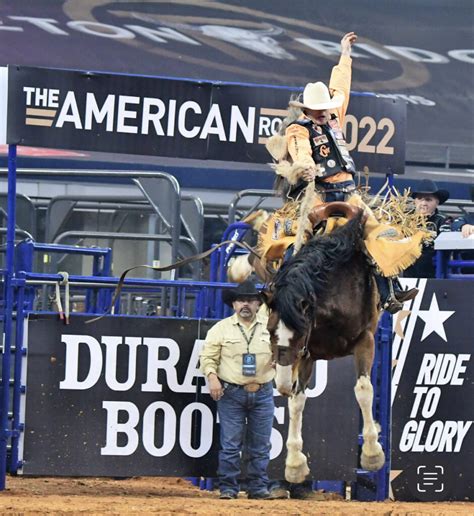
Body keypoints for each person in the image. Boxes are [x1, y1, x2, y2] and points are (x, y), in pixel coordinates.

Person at [264, 31, 419, 313]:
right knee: (301, 237)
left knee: (376, 231)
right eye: (318, 109)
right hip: (320, 195)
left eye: (325, 107)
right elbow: (300, 152)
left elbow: (341, 86)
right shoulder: (298, 129)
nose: (324, 112)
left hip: (348, 193)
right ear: (308, 110)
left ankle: (389, 291)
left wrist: (345, 54)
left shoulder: (335, 116)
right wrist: (305, 167)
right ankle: (280, 287)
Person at [199, 280, 281, 500]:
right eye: (241, 300)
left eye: (251, 301)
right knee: (230, 444)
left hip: (263, 390)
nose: (246, 304)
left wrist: (279, 361)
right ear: (234, 304)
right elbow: (208, 357)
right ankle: (228, 487)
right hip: (231, 392)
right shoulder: (220, 329)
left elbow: (284, 350)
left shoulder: (269, 326)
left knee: (261, 445)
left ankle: (258, 487)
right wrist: (212, 378)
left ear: (258, 304)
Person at [404, 179, 451, 278]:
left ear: (437, 202)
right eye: (420, 198)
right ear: (414, 201)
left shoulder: (443, 220)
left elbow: (445, 249)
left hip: (432, 273)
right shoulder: (404, 219)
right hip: (406, 271)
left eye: (428, 200)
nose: (423, 203)